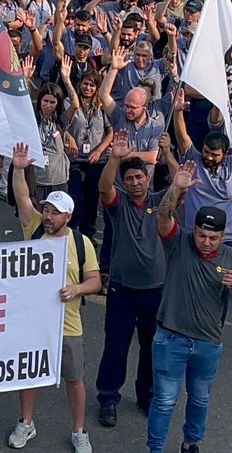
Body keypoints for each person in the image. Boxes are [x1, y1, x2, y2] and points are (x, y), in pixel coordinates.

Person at [145, 163, 232, 453]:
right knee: (164, 401)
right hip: (170, 339)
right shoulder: (178, 243)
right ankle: (155, 449)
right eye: (201, 235)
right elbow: (164, 218)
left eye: (213, 238)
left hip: (208, 344)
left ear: (222, 235)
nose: (205, 242)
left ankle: (191, 443)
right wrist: (176, 189)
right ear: (194, 231)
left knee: (200, 400)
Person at [6, 144, 100, 452]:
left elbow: (95, 281)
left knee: (74, 379)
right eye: (46, 209)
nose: (47, 216)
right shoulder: (34, 229)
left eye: (54, 212)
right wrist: (19, 169)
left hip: (68, 323)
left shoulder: (82, 242)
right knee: (29, 373)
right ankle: (26, 423)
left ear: (68, 216)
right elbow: (22, 198)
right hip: (33, 321)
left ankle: (79, 430)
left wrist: (77, 290)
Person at [95, 140, 167, 429]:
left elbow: (180, 189)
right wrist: (115, 159)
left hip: (155, 289)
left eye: (139, 177)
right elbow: (103, 188)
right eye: (130, 179)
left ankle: (146, 396)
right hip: (122, 289)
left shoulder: (160, 202)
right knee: (116, 345)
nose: (135, 182)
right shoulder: (118, 204)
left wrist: (171, 156)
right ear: (124, 183)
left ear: (148, 179)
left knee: (152, 346)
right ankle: (108, 398)